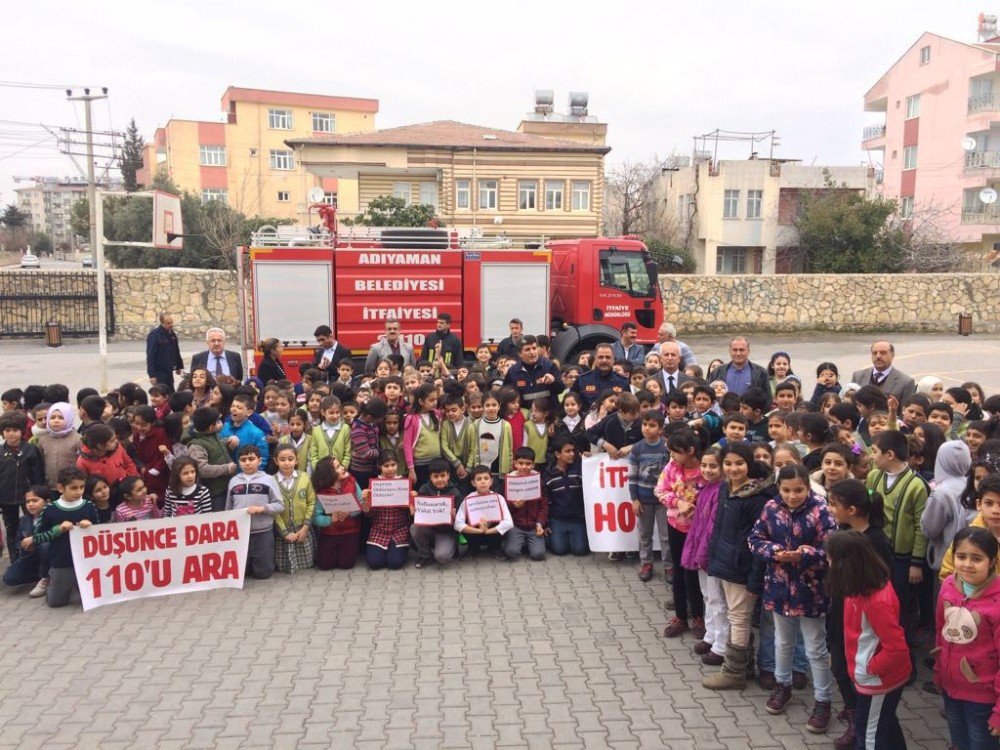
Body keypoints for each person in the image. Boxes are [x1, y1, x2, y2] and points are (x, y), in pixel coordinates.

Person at [749, 464, 837, 733]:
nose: (792, 495)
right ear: (779, 488)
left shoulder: (821, 509)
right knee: (782, 641)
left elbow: (832, 549)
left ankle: (823, 701)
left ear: (808, 488)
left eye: (798, 490)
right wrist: (774, 551)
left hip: (811, 589)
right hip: (778, 586)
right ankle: (782, 686)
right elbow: (754, 539)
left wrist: (805, 555)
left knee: (815, 648)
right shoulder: (771, 508)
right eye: (786, 490)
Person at [825, 530, 911, 750]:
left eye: (831, 558)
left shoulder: (876, 600)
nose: (828, 563)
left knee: (869, 734)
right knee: (887, 724)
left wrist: (870, 668)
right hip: (869, 676)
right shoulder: (857, 587)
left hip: (878, 681)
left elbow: (897, 647)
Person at [703, 441, 777, 690]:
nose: (733, 468)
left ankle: (734, 672)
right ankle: (744, 666)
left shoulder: (757, 497)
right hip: (724, 562)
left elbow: (759, 542)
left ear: (749, 464)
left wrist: (754, 577)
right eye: (728, 463)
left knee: (739, 618)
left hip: (741, 568)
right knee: (737, 616)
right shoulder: (727, 488)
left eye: (739, 463)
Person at [935, 527, 1000, 750]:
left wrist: (999, 713)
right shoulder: (948, 587)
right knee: (959, 742)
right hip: (951, 688)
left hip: (983, 697)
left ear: (992, 561)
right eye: (961, 557)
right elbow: (940, 633)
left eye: (977, 558)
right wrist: (939, 670)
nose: (967, 564)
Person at [866, 430, 930, 646]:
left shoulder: (917, 485)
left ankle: (902, 651)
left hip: (901, 558)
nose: (872, 456)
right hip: (875, 552)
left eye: (875, 452)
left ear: (890, 454)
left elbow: (922, 528)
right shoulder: (874, 476)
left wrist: (916, 563)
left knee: (898, 605)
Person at [656, 425, 706, 637]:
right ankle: (680, 617)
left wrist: (695, 508)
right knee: (678, 571)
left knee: (694, 573)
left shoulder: (705, 470)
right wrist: (677, 502)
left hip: (698, 530)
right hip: (676, 526)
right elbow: (660, 490)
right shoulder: (671, 467)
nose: (672, 456)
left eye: (676, 451)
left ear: (691, 451)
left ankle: (699, 616)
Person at [33, 467, 98, 607]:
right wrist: (58, 529)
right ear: (60, 488)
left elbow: (100, 535)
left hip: (86, 561)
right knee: (56, 602)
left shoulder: (89, 506)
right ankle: (55, 583)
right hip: (62, 561)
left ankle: (77, 587)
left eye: (82, 487)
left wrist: (91, 527)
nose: (79, 492)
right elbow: (38, 538)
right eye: (73, 488)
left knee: (92, 598)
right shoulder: (50, 509)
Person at [227, 445, 283, 580]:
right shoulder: (233, 481)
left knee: (263, 573)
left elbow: (280, 505)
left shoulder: (268, 479)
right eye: (243, 459)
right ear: (238, 462)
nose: (247, 463)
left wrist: (262, 509)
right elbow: (228, 508)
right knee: (241, 573)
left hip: (263, 532)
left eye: (251, 459)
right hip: (241, 533)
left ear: (259, 460)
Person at [921, 441, 975, 577]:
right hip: (971, 558)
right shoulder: (971, 484)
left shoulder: (941, 492)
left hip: (947, 560)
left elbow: (929, 528)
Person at [0, 410, 44, 562]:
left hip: (28, 498)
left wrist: (38, 496)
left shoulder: (30, 450)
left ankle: (34, 559)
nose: (11, 434)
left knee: (32, 527)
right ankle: (15, 560)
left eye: (15, 430)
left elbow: (37, 475)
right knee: (11, 529)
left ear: (22, 431)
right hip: (5, 499)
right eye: (7, 430)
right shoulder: (0, 452)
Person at [361, 450, 412, 570]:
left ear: (398, 464)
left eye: (393, 465)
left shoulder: (403, 483)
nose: (390, 469)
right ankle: (387, 550)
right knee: (375, 563)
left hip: (399, 531)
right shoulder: (375, 485)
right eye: (386, 466)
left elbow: (410, 514)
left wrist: (412, 501)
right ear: (379, 467)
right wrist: (366, 500)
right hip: (379, 530)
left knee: (395, 563)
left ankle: (398, 549)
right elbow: (368, 514)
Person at [312, 456, 363, 571]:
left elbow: (361, 505)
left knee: (346, 564)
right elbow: (316, 518)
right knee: (325, 565)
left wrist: (349, 514)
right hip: (330, 532)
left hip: (351, 531)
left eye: (340, 465)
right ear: (329, 475)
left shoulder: (352, 481)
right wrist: (330, 520)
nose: (343, 468)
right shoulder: (322, 491)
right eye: (338, 467)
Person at [272, 444, 316, 574]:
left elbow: (312, 501)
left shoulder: (305, 478)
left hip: (302, 529)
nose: (287, 463)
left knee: (307, 565)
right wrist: (285, 532)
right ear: (276, 461)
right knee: (282, 567)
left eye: (290, 459)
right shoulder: (271, 481)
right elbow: (273, 510)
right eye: (282, 459)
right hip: (283, 532)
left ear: (296, 460)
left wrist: (305, 527)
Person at [411, 458, 460, 568]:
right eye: (436, 476)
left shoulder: (455, 492)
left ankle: (452, 546)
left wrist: (454, 516)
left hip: (446, 531)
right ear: (430, 477)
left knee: (442, 557)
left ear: (448, 475)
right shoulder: (424, 489)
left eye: (443, 476)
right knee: (415, 527)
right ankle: (425, 555)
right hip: (429, 529)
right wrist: (414, 512)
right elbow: (419, 516)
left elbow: (460, 520)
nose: (439, 479)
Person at [544, 437, 589, 556]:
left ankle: (574, 537)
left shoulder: (579, 470)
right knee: (559, 550)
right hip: (558, 520)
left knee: (580, 550)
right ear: (558, 454)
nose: (572, 454)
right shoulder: (549, 475)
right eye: (567, 451)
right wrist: (546, 523)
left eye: (573, 451)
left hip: (577, 519)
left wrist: (589, 459)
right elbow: (546, 501)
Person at [503, 447, 548, 561]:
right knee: (511, 552)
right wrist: (513, 506)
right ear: (515, 464)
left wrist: (540, 524)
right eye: (521, 463)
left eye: (528, 464)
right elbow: (503, 507)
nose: (524, 467)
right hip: (516, 526)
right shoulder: (509, 481)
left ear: (533, 465)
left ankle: (529, 543)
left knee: (539, 554)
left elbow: (543, 505)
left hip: (533, 526)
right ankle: (520, 542)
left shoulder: (537, 481)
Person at [503, 336, 564, 406]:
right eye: (527, 349)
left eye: (534, 348)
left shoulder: (549, 366)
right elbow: (506, 396)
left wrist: (554, 381)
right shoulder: (513, 372)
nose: (532, 352)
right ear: (519, 354)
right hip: (525, 415)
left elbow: (561, 389)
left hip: (548, 414)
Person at [850, 341, 917, 402]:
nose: (878, 356)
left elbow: (905, 412)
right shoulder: (858, 376)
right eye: (874, 353)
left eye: (883, 353)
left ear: (892, 355)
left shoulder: (906, 382)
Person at [570, 343, 629, 412]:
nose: (604, 360)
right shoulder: (582, 380)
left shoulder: (623, 381)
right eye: (601, 357)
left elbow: (627, 408)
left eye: (608, 357)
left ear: (613, 359)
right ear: (595, 359)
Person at [145, 312, 184, 392]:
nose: (171, 324)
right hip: (159, 372)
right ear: (162, 323)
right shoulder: (155, 335)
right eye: (168, 323)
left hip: (169, 371)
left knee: (171, 393)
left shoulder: (172, 334)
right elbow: (150, 356)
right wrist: (152, 375)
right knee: (162, 393)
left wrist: (178, 366)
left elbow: (176, 350)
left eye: (172, 322)